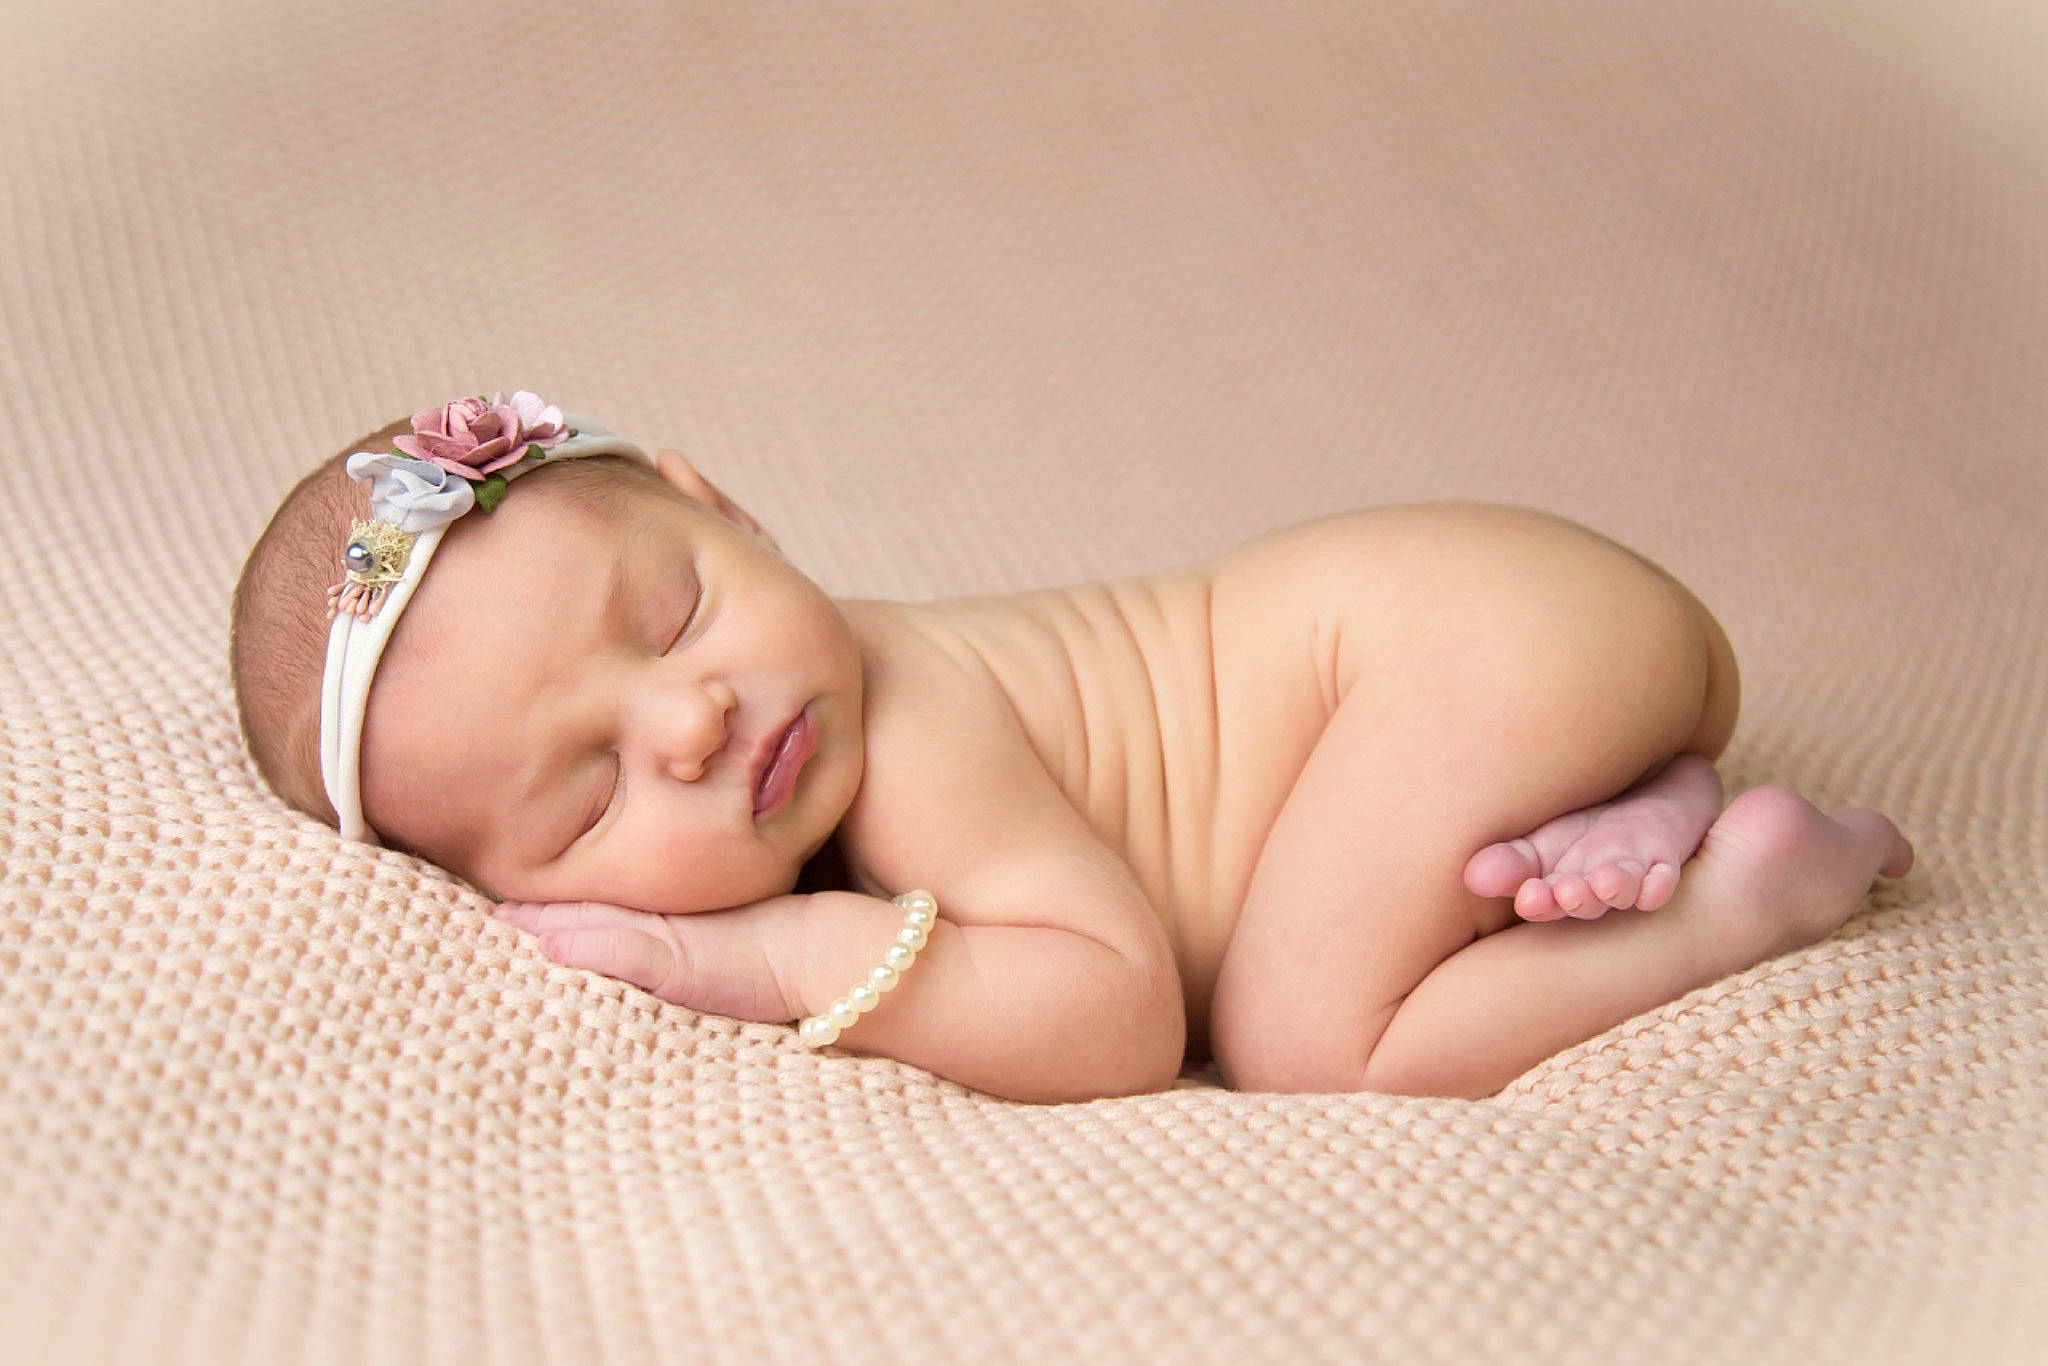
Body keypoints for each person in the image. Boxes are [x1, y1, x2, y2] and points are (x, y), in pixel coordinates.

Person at [230, 392, 1914, 1105]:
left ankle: (1743, 897)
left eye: (674, 614)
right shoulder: (802, 730)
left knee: (1306, 1036)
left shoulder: (899, 719)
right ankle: (1625, 806)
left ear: (716, 501)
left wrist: (748, 950)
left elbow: (1116, 1011)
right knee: (1337, 927)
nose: (694, 717)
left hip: (1468, 638)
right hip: (1521, 651)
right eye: (589, 795)